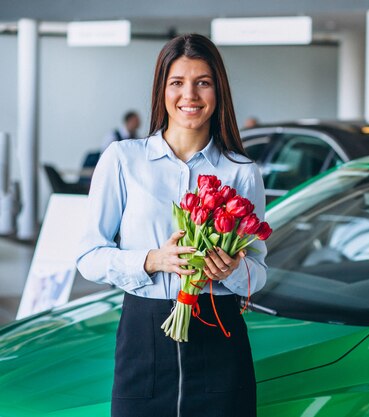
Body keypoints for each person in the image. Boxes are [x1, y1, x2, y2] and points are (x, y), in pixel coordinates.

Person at [76, 34, 266, 417]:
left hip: (220, 337)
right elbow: (88, 257)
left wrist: (231, 270)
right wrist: (151, 260)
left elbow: (258, 273)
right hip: (144, 337)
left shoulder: (242, 172)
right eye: (177, 83)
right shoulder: (124, 160)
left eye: (203, 82)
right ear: (162, 90)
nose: (190, 95)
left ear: (219, 90)